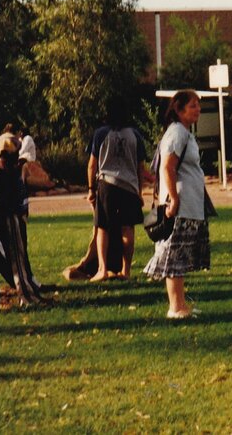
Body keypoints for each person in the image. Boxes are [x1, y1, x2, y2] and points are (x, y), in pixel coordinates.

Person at [144, 90, 211, 319]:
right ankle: (175, 307)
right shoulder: (177, 134)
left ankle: (181, 304)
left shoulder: (183, 133)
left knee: (180, 257)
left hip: (189, 204)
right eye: (193, 106)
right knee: (174, 256)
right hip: (179, 205)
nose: (198, 110)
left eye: (198, 106)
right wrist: (173, 198)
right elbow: (167, 168)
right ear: (179, 110)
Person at [86, 99, 147, 281]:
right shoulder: (135, 135)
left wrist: (91, 189)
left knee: (103, 227)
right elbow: (140, 166)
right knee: (127, 228)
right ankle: (125, 270)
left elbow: (92, 165)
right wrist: (139, 191)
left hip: (107, 184)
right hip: (129, 186)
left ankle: (103, 269)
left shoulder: (100, 134)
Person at [0, 135, 46, 306]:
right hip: (10, 218)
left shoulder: (4, 171)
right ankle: (27, 295)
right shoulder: (5, 174)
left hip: (11, 217)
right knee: (17, 258)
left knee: (19, 256)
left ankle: (28, 287)